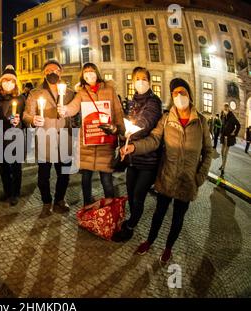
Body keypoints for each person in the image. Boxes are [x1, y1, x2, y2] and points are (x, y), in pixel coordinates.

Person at [121, 78, 213, 264]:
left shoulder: (201, 121)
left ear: (189, 94)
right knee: (159, 214)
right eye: (175, 93)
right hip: (167, 177)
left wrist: (200, 177)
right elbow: (154, 140)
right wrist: (134, 147)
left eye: (183, 92)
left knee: (178, 219)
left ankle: (169, 247)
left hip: (188, 181)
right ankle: (150, 241)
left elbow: (208, 151)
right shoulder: (166, 118)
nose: (179, 96)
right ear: (171, 96)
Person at [58, 62, 125, 206]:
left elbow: (118, 112)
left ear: (97, 72)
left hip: (105, 141)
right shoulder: (82, 92)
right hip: (87, 140)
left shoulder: (109, 89)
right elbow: (74, 106)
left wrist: (120, 130)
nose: (89, 73)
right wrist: (65, 110)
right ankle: (87, 204)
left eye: (92, 70)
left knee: (106, 177)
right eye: (86, 71)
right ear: (83, 75)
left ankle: (109, 208)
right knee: (86, 176)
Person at [111, 67, 163, 242]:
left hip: (148, 160)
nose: (140, 81)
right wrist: (119, 131)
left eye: (144, 78)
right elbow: (127, 125)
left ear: (149, 81)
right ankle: (132, 219)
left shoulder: (154, 101)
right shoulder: (133, 101)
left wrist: (129, 131)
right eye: (137, 78)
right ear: (133, 82)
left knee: (138, 196)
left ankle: (130, 226)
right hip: (133, 160)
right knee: (131, 193)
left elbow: (144, 123)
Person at [23, 60, 75, 214]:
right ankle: (46, 202)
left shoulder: (70, 93)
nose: (51, 72)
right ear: (43, 73)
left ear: (61, 72)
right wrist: (32, 120)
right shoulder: (35, 93)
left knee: (64, 174)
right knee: (43, 177)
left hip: (64, 139)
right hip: (45, 139)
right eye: (47, 70)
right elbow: (26, 114)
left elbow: (77, 112)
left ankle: (59, 199)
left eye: (55, 69)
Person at [0, 65, 26, 206]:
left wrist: (20, 121)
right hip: (0, 137)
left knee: (16, 167)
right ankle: (7, 191)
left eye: (11, 80)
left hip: (16, 136)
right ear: (1, 82)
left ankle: (15, 193)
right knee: (4, 167)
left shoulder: (20, 98)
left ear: (15, 82)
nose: (8, 82)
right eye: (5, 80)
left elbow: (25, 117)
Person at [219, 103, 241, 177]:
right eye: (224, 107)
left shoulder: (232, 116)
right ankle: (222, 164)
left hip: (228, 138)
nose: (225, 108)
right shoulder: (222, 115)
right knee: (222, 152)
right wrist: (221, 132)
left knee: (225, 153)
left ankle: (223, 169)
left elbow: (238, 125)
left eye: (226, 107)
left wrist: (234, 133)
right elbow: (222, 124)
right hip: (223, 136)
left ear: (228, 108)